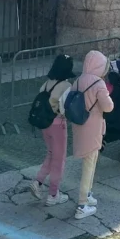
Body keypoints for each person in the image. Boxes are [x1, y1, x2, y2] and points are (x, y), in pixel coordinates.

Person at [71, 50, 114, 219]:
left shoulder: (78, 80)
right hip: (93, 127)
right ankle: (82, 204)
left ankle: (88, 194)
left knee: (90, 161)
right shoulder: (98, 83)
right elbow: (108, 107)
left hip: (79, 126)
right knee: (89, 165)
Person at [30, 53, 74, 206]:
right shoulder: (66, 86)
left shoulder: (47, 83)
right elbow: (65, 108)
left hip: (45, 124)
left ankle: (38, 182)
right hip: (58, 125)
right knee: (59, 159)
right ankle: (53, 194)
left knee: (50, 154)